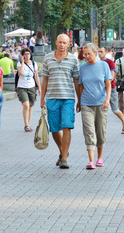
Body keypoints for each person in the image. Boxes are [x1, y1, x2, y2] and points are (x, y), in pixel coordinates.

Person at [41, 34, 80, 169]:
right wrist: (42, 99)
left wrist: (79, 99)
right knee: (55, 128)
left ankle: (64, 159)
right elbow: (44, 79)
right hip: (52, 98)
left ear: (68, 44)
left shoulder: (73, 60)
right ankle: (63, 150)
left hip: (68, 98)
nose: (62, 45)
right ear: (56, 43)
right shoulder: (48, 58)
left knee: (67, 126)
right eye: (60, 42)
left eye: (64, 43)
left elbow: (76, 80)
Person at [77, 43, 112, 170]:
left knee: (100, 131)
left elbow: (108, 84)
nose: (86, 57)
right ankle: (91, 160)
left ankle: (100, 158)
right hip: (86, 103)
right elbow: (80, 86)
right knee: (89, 131)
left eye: (89, 54)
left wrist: (107, 99)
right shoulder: (83, 68)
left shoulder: (104, 65)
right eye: (85, 54)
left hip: (101, 103)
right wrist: (79, 101)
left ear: (95, 53)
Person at [98, 46, 124, 134]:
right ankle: (101, 130)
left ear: (105, 52)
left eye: (101, 51)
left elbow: (112, 77)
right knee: (101, 109)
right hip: (100, 89)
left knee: (115, 109)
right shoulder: (96, 62)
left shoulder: (110, 62)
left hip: (110, 88)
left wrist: (104, 82)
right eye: (98, 52)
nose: (99, 53)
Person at [16, 48, 41, 132]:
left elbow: (36, 76)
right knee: (26, 105)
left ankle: (28, 125)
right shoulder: (19, 64)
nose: (27, 56)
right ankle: (26, 124)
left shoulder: (34, 64)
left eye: (28, 54)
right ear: (22, 55)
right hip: (22, 87)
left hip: (31, 87)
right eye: (25, 54)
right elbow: (21, 73)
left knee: (30, 106)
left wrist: (39, 88)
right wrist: (22, 62)